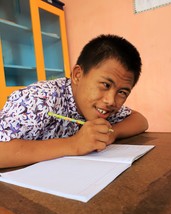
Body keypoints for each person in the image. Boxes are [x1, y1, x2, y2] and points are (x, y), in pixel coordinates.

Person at [0, 34, 148, 168]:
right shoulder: (41, 98)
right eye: (105, 85)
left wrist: (112, 133)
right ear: (77, 75)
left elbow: (140, 120)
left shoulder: (102, 106)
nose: (111, 100)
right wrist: (74, 144)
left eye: (122, 92)